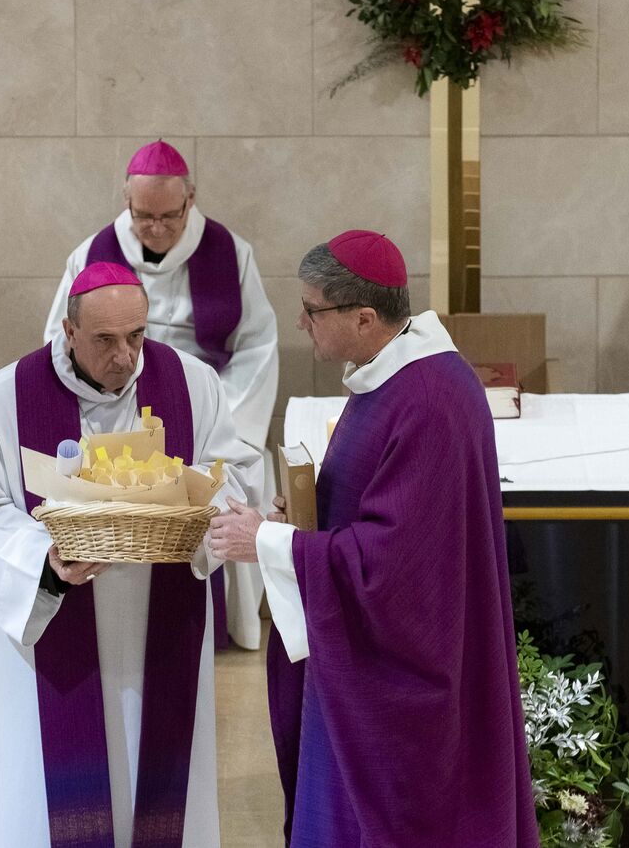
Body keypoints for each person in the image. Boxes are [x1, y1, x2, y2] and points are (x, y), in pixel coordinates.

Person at [206, 231, 539, 846]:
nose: (300, 322)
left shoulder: (427, 399)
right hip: (358, 652)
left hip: (399, 676)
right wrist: (302, 518)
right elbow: (375, 507)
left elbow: (392, 563)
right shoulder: (391, 379)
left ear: (363, 318)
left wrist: (270, 544)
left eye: (312, 310)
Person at [0, 261, 263, 846]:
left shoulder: (193, 383)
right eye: (104, 340)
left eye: (136, 336)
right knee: (45, 794)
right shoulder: (5, 396)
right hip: (52, 630)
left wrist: (196, 504)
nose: (124, 356)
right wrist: (46, 563)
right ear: (69, 332)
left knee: (160, 785)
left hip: (161, 628)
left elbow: (236, 473)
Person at [43, 140, 277, 651]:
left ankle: (223, 621)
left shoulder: (230, 253)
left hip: (206, 401)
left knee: (239, 469)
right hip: (114, 407)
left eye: (169, 216)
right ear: (126, 200)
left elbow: (258, 344)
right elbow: (61, 341)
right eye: (143, 216)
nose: (155, 228)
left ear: (190, 199)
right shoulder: (91, 254)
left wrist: (220, 416)